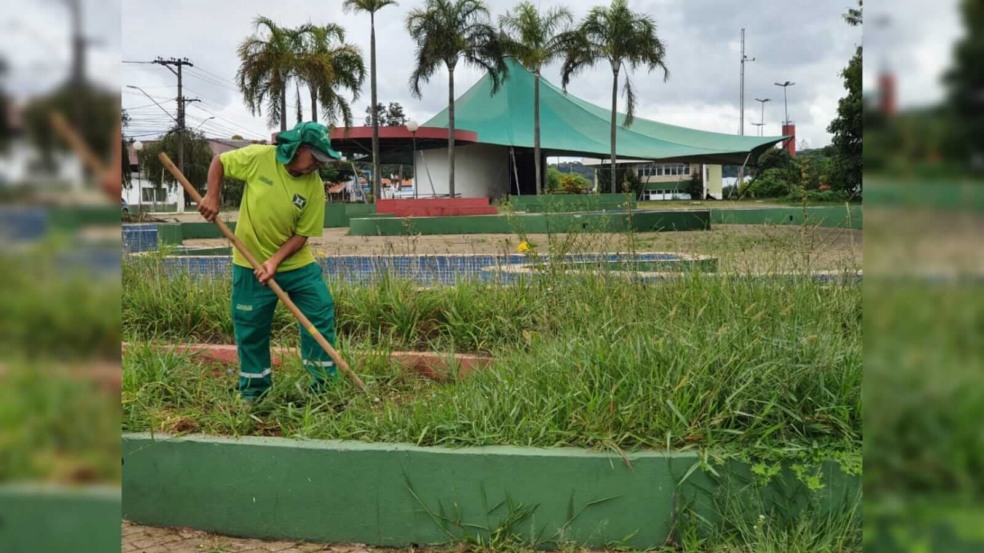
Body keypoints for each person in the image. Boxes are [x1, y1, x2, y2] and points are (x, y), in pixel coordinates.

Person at [198, 121, 340, 402]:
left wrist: (274, 261)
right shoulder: (259, 158)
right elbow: (220, 162)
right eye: (315, 157)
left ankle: (323, 390)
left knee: (320, 311)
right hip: (249, 264)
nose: (317, 165)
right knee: (251, 327)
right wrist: (212, 195)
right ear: (297, 149)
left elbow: (302, 235)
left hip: (296, 265)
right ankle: (255, 394)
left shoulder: (314, 186)